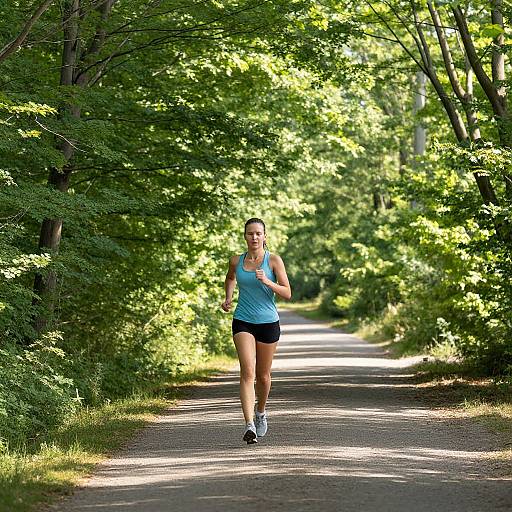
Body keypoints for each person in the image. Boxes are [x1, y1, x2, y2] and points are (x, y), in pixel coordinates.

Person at [221, 217, 292, 444]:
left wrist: (267, 282)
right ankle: (249, 424)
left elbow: (288, 293)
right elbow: (230, 278)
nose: (254, 237)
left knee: (263, 376)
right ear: (245, 236)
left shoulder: (273, 261)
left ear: (264, 236)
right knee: (247, 372)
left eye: (258, 233)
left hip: (268, 322)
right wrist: (228, 298)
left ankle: (260, 411)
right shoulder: (236, 261)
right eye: (250, 233)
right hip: (243, 320)